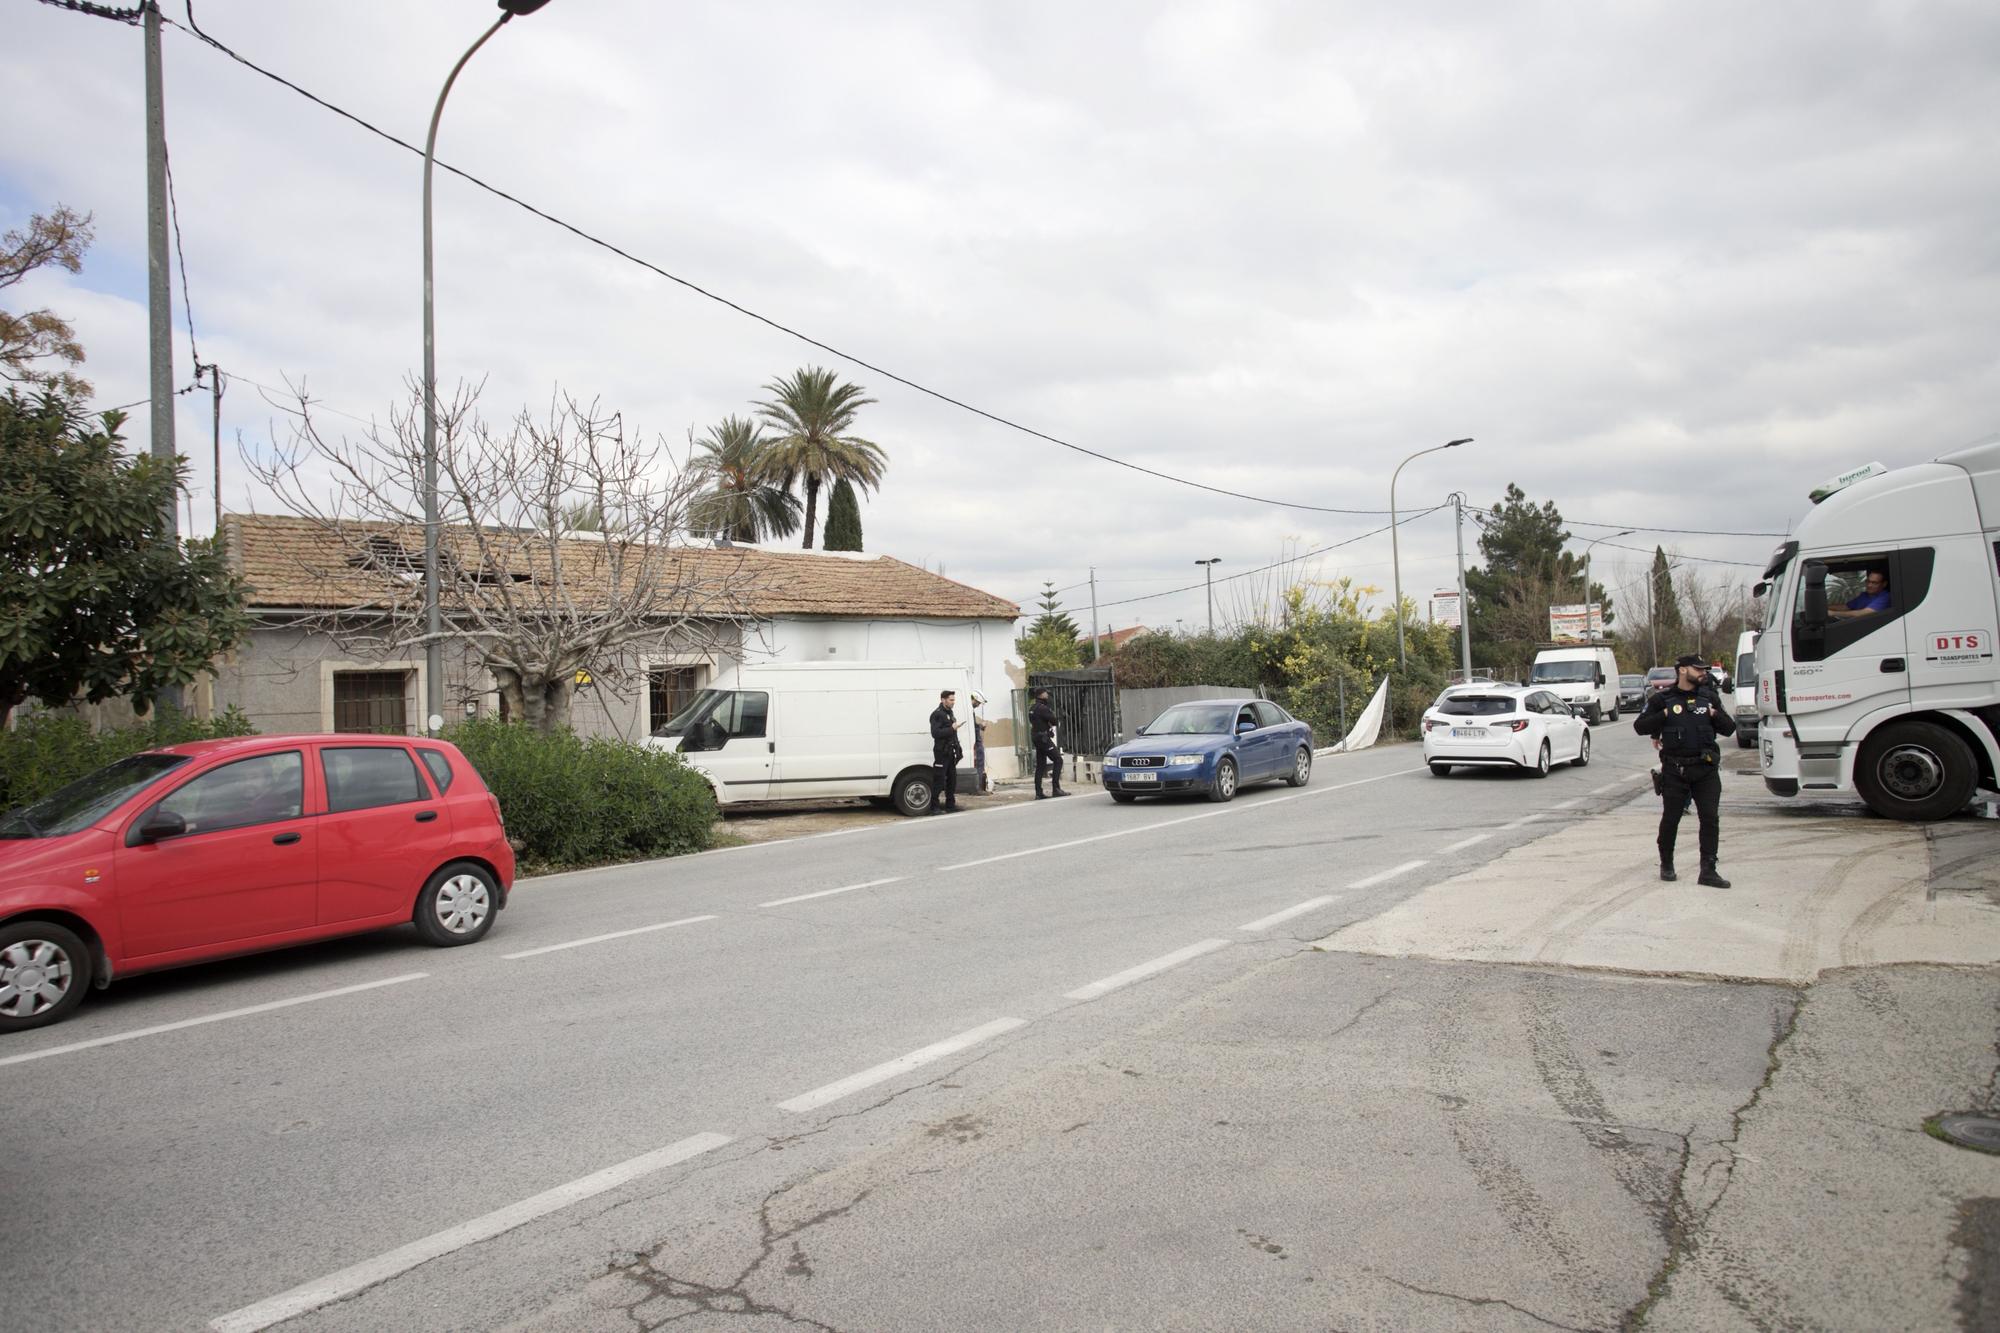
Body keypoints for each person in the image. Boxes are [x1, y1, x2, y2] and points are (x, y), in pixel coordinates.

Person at [1633, 653, 1737, 886]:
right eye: (1698, 669)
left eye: (1704, 670)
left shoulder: (1709, 697)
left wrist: (1714, 714)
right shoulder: (1663, 699)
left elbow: (1730, 728)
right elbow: (1640, 726)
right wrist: (1664, 716)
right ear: (1682, 670)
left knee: (1710, 818)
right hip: (1675, 771)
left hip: (1706, 769)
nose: (1703, 673)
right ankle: (1667, 863)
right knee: (1671, 819)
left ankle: (1708, 870)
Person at [928, 689, 963, 815]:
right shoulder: (937, 714)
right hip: (941, 752)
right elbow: (935, 733)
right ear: (943, 700)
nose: (953, 702)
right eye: (951, 700)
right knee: (939, 779)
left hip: (950, 752)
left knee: (952, 779)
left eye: (954, 700)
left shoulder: (950, 712)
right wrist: (951, 728)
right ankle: (934, 807)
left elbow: (952, 734)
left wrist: (958, 748)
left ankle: (950, 805)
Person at [1030, 688, 1068, 799]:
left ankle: (1038, 793)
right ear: (1041, 695)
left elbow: (1036, 721)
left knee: (1040, 765)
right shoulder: (1043, 708)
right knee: (1058, 759)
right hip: (1043, 738)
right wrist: (1049, 722)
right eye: (1046, 693)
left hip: (1036, 736)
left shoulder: (1032, 708)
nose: (1047, 694)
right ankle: (1056, 789)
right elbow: (1054, 721)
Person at [969, 690, 989, 794]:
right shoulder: (968, 710)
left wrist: (979, 726)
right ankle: (978, 788)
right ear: (974, 699)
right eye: (977, 702)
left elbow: (972, 726)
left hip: (976, 740)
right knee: (979, 763)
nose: (978, 705)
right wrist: (981, 726)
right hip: (976, 741)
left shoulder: (969, 710)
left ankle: (977, 787)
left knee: (978, 763)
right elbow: (971, 727)